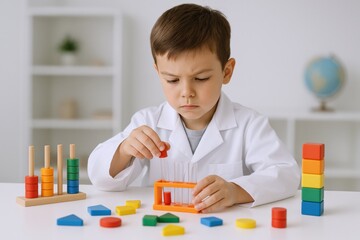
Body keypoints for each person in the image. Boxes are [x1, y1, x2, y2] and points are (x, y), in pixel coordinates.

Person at [88, 3, 300, 213]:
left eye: (201, 78)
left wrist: (235, 191)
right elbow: (100, 178)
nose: (186, 92)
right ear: (158, 72)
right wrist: (125, 149)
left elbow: (286, 174)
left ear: (226, 72)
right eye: (172, 80)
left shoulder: (249, 124)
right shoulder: (148, 122)